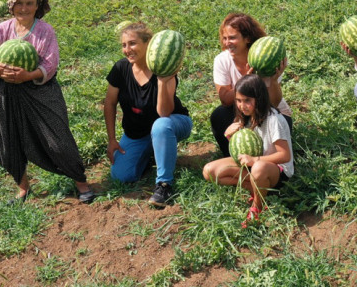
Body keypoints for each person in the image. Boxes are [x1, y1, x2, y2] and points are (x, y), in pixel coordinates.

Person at [0, 0, 95, 204]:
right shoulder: (1, 30)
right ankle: (23, 188)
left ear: (37, 5)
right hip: (7, 93)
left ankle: (81, 183)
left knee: (58, 139)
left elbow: (50, 64)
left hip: (40, 92)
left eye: (29, 3)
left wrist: (27, 75)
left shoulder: (45, 31)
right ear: (11, 6)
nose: (24, 8)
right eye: (19, 3)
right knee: (8, 140)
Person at [103, 22, 192, 207]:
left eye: (133, 43)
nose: (128, 49)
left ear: (148, 44)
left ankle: (164, 184)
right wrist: (112, 139)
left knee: (160, 125)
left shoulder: (166, 69)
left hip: (173, 124)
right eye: (124, 45)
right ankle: (154, 152)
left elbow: (164, 112)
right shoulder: (120, 69)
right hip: (137, 133)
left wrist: (161, 81)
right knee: (122, 175)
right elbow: (109, 103)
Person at [202, 74, 294, 228]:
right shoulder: (245, 117)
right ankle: (258, 189)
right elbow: (240, 152)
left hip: (277, 171)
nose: (242, 105)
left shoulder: (274, 120)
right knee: (209, 171)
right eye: (238, 100)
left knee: (258, 168)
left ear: (259, 99)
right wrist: (229, 135)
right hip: (255, 166)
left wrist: (255, 160)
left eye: (247, 101)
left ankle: (258, 207)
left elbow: (285, 155)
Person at [210, 12, 292, 158]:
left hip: (270, 113)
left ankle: (268, 160)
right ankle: (232, 157)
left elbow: (273, 103)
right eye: (225, 38)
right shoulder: (222, 61)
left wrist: (273, 81)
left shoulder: (264, 59)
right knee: (219, 115)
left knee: (275, 122)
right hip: (242, 111)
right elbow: (225, 99)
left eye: (232, 38)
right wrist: (246, 79)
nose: (227, 42)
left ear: (247, 38)